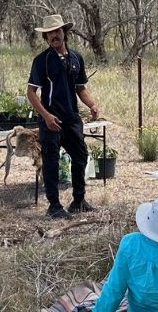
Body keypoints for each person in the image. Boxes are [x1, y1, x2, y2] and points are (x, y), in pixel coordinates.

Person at [26, 13, 102, 220]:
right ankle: (54, 206)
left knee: (80, 157)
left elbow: (80, 88)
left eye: (57, 31)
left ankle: (79, 201)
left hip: (72, 119)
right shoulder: (42, 61)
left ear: (64, 33)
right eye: (49, 33)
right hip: (51, 121)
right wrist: (46, 116)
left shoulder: (76, 58)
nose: (54, 36)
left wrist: (93, 105)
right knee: (51, 162)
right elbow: (31, 93)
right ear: (46, 38)